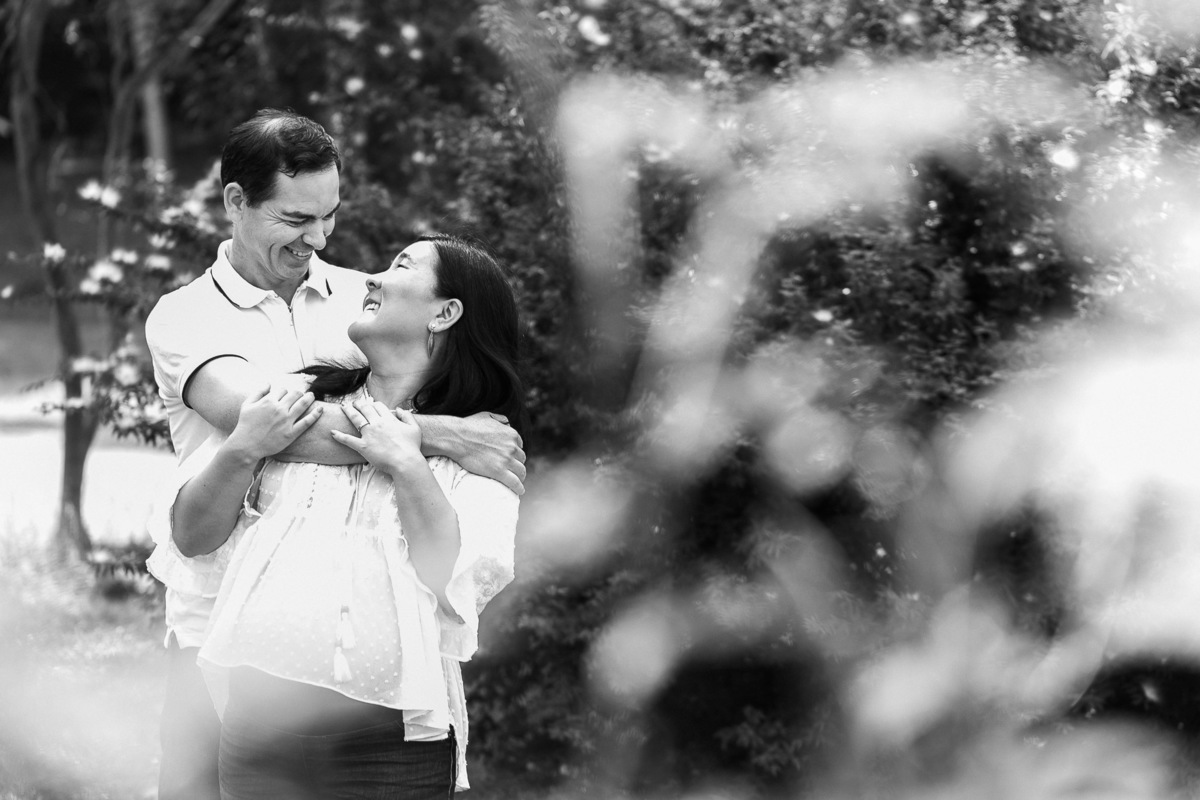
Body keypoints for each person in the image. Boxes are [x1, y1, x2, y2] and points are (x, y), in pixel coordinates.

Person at [144, 109, 525, 800]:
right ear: (237, 201)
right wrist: (436, 434)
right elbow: (262, 421)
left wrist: (422, 442)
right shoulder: (185, 315)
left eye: (330, 217)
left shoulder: (365, 301)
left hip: (371, 683)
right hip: (219, 625)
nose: (317, 239)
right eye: (296, 219)